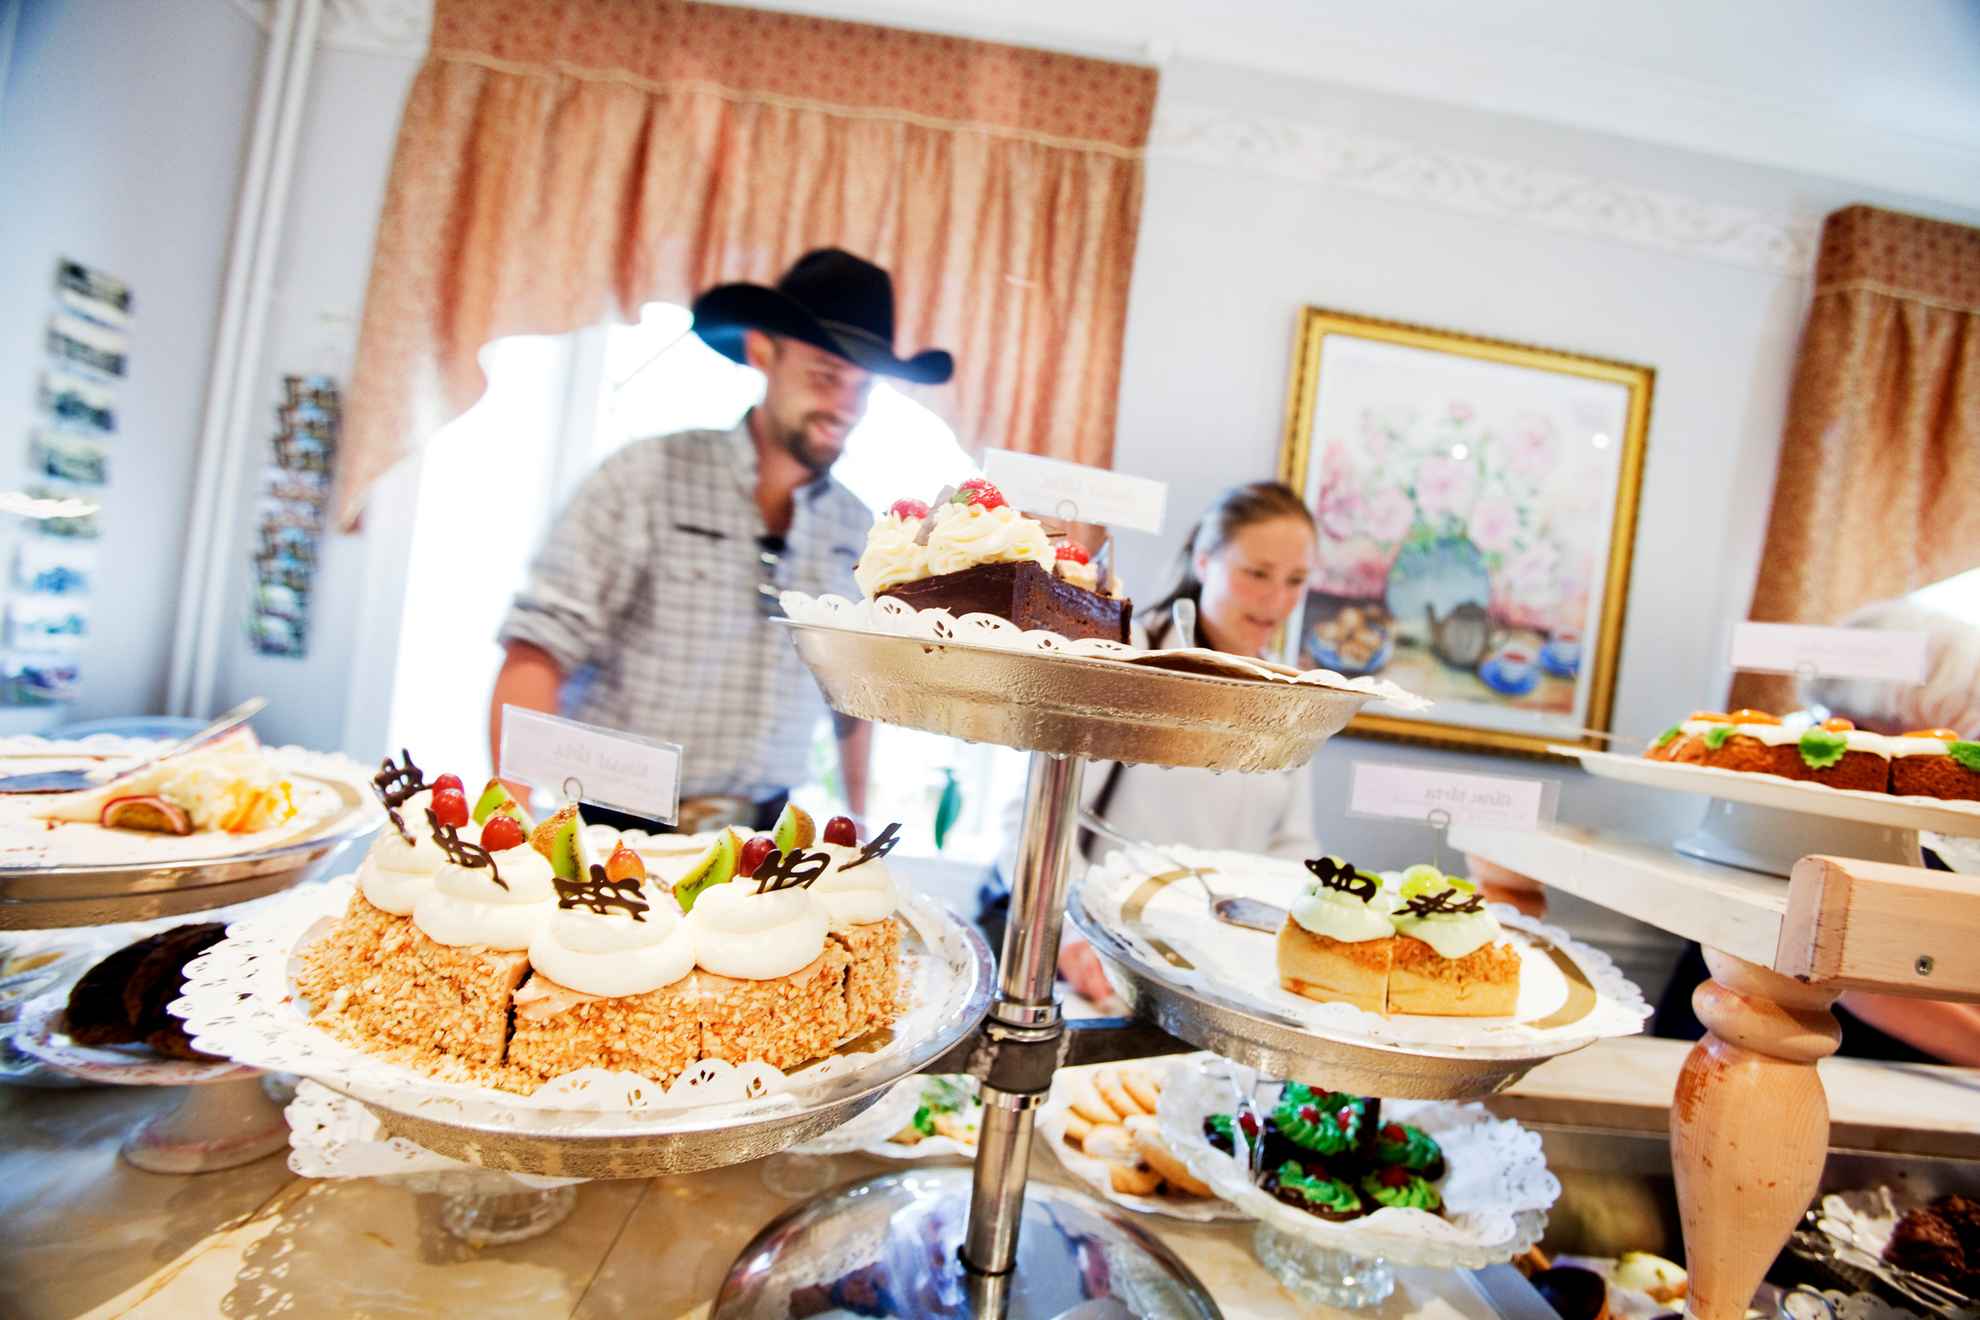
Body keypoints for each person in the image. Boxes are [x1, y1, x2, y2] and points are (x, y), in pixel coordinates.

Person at [490, 249, 953, 834]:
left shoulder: (859, 529)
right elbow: (538, 650)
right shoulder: (644, 476)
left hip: (762, 843)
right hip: (611, 829)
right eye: (825, 375)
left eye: (862, 388)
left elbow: (856, 699)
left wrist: (857, 818)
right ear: (763, 352)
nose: (844, 407)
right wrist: (509, 828)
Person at [985, 482, 1325, 1001]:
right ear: (1205, 561)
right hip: (1093, 963)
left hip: (1216, 975)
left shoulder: (1286, 693)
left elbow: (1291, 844)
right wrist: (1072, 936)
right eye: (1256, 573)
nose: (1276, 600)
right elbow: (1030, 814)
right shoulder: (1128, 657)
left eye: (1295, 580)